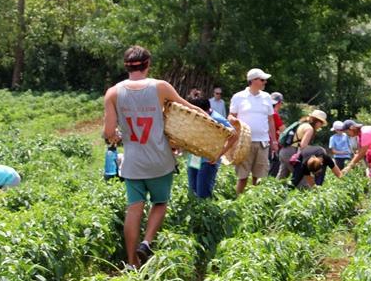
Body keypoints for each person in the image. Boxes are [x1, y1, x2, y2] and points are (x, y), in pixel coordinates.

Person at [103, 45, 208, 268]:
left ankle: (131, 263)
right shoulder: (160, 87)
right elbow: (188, 108)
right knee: (159, 203)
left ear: (126, 66)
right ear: (148, 64)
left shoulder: (113, 93)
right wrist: (213, 123)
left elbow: (109, 133)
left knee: (134, 208)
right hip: (160, 160)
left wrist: (120, 136)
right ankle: (147, 242)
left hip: (132, 162)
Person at [229, 68, 279, 195]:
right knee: (242, 176)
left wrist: (274, 141)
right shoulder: (238, 97)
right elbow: (230, 116)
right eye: (262, 80)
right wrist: (234, 120)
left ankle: (254, 201)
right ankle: (239, 201)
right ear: (253, 81)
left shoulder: (267, 97)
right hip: (245, 141)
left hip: (263, 141)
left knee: (259, 176)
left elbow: (270, 120)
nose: (265, 82)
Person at [185, 97, 239, 199]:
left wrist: (219, 154)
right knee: (192, 192)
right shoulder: (194, 116)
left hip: (208, 161)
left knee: (203, 194)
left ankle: (205, 214)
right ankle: (195, 213)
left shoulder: (217, 119)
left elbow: (234, 135)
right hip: (194, 158)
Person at [277, 110, 328, 179]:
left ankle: (273, 188)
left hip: (284, 151)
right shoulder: (309, 129)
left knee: (282, 177)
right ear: (317, 121)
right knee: (303, 179)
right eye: (321, 124)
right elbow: (303, 145)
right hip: (291, 153)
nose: (321, 126)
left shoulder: (302, 124)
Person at [268, 92, 285, 177]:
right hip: (273, 143)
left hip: (267, 140)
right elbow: (283, 129)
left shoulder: (268, 112)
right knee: (275, 164)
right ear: (279, 103)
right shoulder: (274, 114)